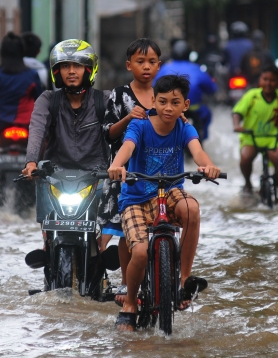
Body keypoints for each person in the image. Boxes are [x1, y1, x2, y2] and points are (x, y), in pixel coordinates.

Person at [108, 75, 221, 331]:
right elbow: (127, 147)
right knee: (139, 251)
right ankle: (129, 306)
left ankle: (182, 282)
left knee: (191, 208)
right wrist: (117, 165)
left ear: (185, 104)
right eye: (162, 102)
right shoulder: (140, 125)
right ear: (154, 102)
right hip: (135, 198)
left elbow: (197, 150)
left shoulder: (185, 128)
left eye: (175, 102)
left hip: (170, 192)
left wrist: (208, 165)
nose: (168, 108)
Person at [21, 40, 111, 280]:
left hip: (97, 175)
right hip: (57, 175)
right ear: (56, 71)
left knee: (110, 212)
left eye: (78, 65)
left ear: (89, 69)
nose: (71, 71)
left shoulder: (105, 100)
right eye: (65, 66)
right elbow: (37, 129)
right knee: (41, 172)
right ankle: (47, 242)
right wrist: (31, 162)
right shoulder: (47, 99)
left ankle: (101, 248)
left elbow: (131, 125)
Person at [96, 38, 162, 306]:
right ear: (129, 65)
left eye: (151, 62)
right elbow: (108, 134)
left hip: (156, 173)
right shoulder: (119, 94)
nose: (146, 67)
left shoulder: (163, 95)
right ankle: (126, 280)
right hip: (123, 174)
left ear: (159, 66)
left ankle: (163, 278)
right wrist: (128, 118)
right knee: (125, 232)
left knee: (158, 228)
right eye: (140, 61)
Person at [232, 65, 278, 203]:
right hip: (251, 137)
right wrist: (237, 125)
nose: (268, 83)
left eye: (273, 80)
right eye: (265, 79)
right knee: (245, 158)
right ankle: (248, 184)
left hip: (274, 139)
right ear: (260, 80)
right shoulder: (252, 96)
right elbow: (237, 112)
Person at [0, 32, 43, 189]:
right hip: (27, 123)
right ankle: (40, 174)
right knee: (42, 143)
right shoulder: (31, 75)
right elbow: (39, 99)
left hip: (1, 123)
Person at [154, 40, 217, 141]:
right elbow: (211, 88)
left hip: (170, 110)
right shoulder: (197, 68)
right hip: (194, 108)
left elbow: (154, 88)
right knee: (206, 115)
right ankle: (202, 137)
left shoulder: (165, 68)